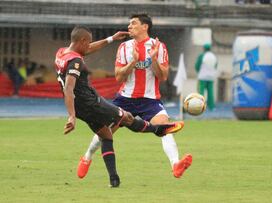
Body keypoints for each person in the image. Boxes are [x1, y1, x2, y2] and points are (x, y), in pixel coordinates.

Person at [55, 26, 184, 187]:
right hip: (93, 103)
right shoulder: (76, 61)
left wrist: (111, 38)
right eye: (88, 42)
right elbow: (69, 87)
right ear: (82, 41)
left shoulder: (62, 53)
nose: (90, 45)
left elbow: (86, 50)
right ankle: (158, 129)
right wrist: (71, 116)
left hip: (82, 108)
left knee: (106, 135)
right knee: (126, 118)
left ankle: (113, 179)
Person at [77, 14, 192, 179]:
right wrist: (133, 62)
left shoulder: (159, 46)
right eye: (129, 24)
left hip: (150, 100)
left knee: (164, 127)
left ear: (145, 27)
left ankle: (176, 164)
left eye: (133, 23)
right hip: (125, 99)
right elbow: (118, 77)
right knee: (106, 131)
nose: (129, 26)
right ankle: (87, 157)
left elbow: (164, 75)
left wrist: (153, 59)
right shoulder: (124, 47)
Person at [195, 43, 218, 111]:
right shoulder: (214, 56)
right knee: (210, 93)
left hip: (202, 77)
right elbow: (215, 66)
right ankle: (211, 107)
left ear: (204, 49)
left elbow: (197, 66)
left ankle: (200, 106)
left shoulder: (202, 56)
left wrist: (199, 71)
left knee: (201, 92)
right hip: (211, 77)